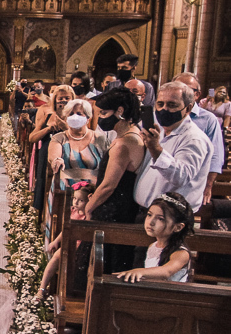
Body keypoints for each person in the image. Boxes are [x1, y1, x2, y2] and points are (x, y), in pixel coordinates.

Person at [80, 86, 145, 273]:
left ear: (120, 111)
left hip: (113, 210)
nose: (100, 118)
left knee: (102, 260)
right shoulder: (131, 134)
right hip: (119, 206)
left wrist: (89, 206)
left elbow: (109, 185)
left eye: (104, 113)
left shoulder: (124, 144)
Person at [133, 80, 212, 215]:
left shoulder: (193, 138)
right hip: (150, 213)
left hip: (171, 217)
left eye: (171, 105)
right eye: (160, 104)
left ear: (188, 108)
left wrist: (156, 149)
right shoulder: (162, 131)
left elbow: (181, 176)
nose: (164, 109)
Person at [44, 98, 107, 244]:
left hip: (91, 193)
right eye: (71, 113)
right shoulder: (59, 138)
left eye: (79, 113)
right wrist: (57, 160)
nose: (75, 116)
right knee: (60, 227)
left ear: (88, 117)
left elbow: (107, 164)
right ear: (65, 117)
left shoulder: (99, 139)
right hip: (65, 188)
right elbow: (54, 155)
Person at [115, 193, 193, 283]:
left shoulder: (181, 253)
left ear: (178, 227)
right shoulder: (153, 246)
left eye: (160, 219)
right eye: (149, 215)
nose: (151, 222)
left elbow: (166, 271)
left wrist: (139, 271)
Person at [174, 72, 226, 201]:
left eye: (187, 89)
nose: (182, 93)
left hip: (193, 182)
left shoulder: (208, 120)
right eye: (178, 88)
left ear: (197, 94)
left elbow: (215, 156)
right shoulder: (160, 114)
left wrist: (208, 186)